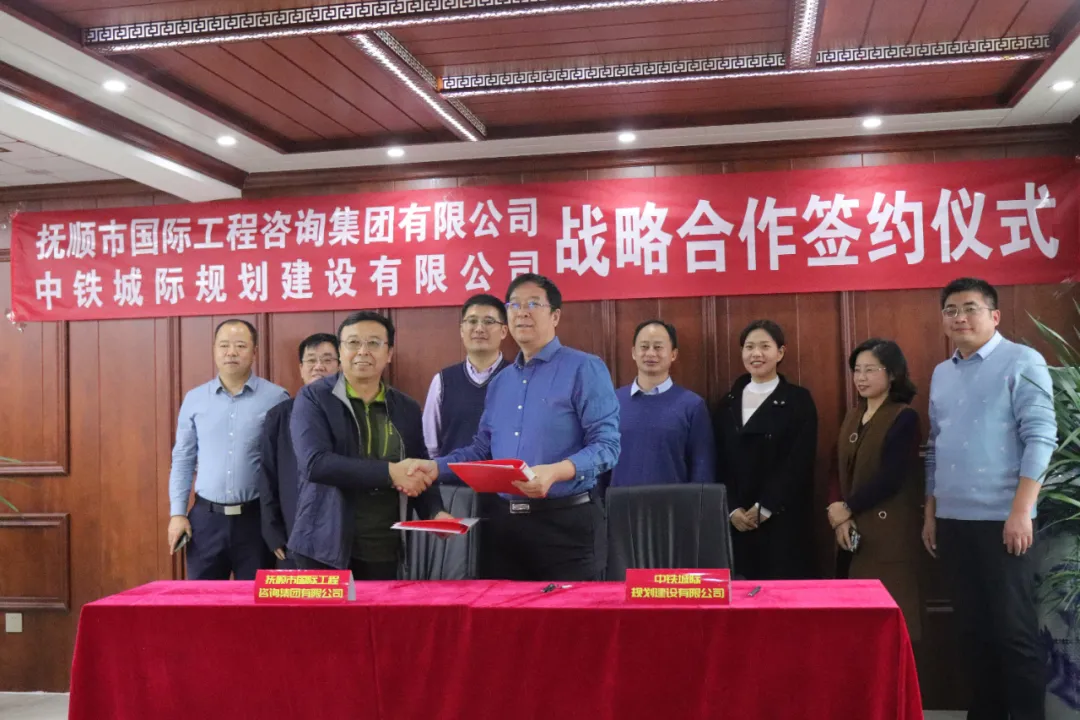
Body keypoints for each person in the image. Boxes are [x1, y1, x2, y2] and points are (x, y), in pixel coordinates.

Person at [412, 273, 621, 581]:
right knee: (504, 611)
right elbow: (481, 450)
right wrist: (435, 468)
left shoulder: (584, 368)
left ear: (555, 316)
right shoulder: (501, 382)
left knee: (569, 612)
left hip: (566, 526)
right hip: (504, 527)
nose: (522, 312)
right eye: (514, 304)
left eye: (533, 304)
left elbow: (607, 446)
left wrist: (555, 472)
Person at [923, 277, 1056, 720]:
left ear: (994, 315)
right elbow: (935, 447)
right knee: (971, 633)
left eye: (970, 308)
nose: (959, 317)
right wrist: (931, 512)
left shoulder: (1022, 361)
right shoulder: (942, 373)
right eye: (950, 310)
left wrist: (1021, 511)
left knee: (1014, 635)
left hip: (1004, 521)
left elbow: (1041, 438)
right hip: (953, 521)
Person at [288, 311, 451, 579]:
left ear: (389, 353)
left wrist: (436, 512)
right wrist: (390, 472)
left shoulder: (406, 407)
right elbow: (315, 464)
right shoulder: (314, 398)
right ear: (341, 351)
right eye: (353, 343)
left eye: (374, 343)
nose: (363, 351)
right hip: (323, 546)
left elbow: (418, 465)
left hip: (384, 546)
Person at [166, 319, 289, 580]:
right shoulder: (195, 399)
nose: (231, 352)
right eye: (224, 345)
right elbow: (183, 459)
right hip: (206, 521)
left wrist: (280, 522)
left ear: (254, 351)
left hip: (256, 520)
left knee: (257, 600)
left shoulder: (276, 398)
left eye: (240, 345)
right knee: (203, 600)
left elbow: (285, 464)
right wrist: (177, 513)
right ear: (214, 350)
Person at [827, 338, 923, 639]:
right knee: (852, 623)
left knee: (888, 621)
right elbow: (836, 468)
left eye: (870, 370)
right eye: (857, 370)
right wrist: (837, 510)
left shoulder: (904, 417)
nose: (861, 377)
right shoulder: (853, 415)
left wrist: (848, 508)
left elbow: (891, 477)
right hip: (849, 531)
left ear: (892, 374)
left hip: (886, 532)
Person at [713, 319, 818, 580]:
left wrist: (766, 506)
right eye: (749, 347)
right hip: (736, 522)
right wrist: (732, 508)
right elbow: (718, 460)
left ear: (780, 352)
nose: (756, 354)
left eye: (764, 346)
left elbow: (799, 460)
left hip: (782, 519)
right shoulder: (727, 403)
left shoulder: (798, 400)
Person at [256, 332, 340, 569]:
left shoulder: (352, 412)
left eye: (327, 360)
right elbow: (267, 476)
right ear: (301, 368)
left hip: (342, 535)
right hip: (292, 535)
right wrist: (272, 531)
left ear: (340, 366)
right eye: (311, 360)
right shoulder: (279, 415)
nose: (318, 367)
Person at [609, 319, 714, 487]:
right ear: (634, 352)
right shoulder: (612, 402)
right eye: (644, 347)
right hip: (619, 502)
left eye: (658, 347)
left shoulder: (693, 405)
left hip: (674, 502)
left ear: (673, 354)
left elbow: (702, 469)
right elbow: (599, 462)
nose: (651, 353)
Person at [422, 294, 509, 466]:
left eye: (489, 321)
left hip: (504, 480)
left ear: (504, 331)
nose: (479, 328)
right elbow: (430, 446)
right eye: (472, 321)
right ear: (462, 330)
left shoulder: (518, 378)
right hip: (451, 479)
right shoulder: (443, 381)